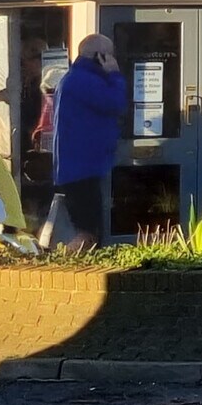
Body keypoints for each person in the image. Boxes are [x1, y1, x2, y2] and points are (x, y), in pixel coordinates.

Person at [53, 33, 129, 248]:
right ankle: (64, 269)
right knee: (89, 232)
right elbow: (116, 103)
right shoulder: (85, 81)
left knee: (89, 228)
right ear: (100, 57)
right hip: (82, 168)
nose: (114, 60)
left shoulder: (73, 78)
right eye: (110, 55)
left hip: (79, 166)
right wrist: (114, 75)